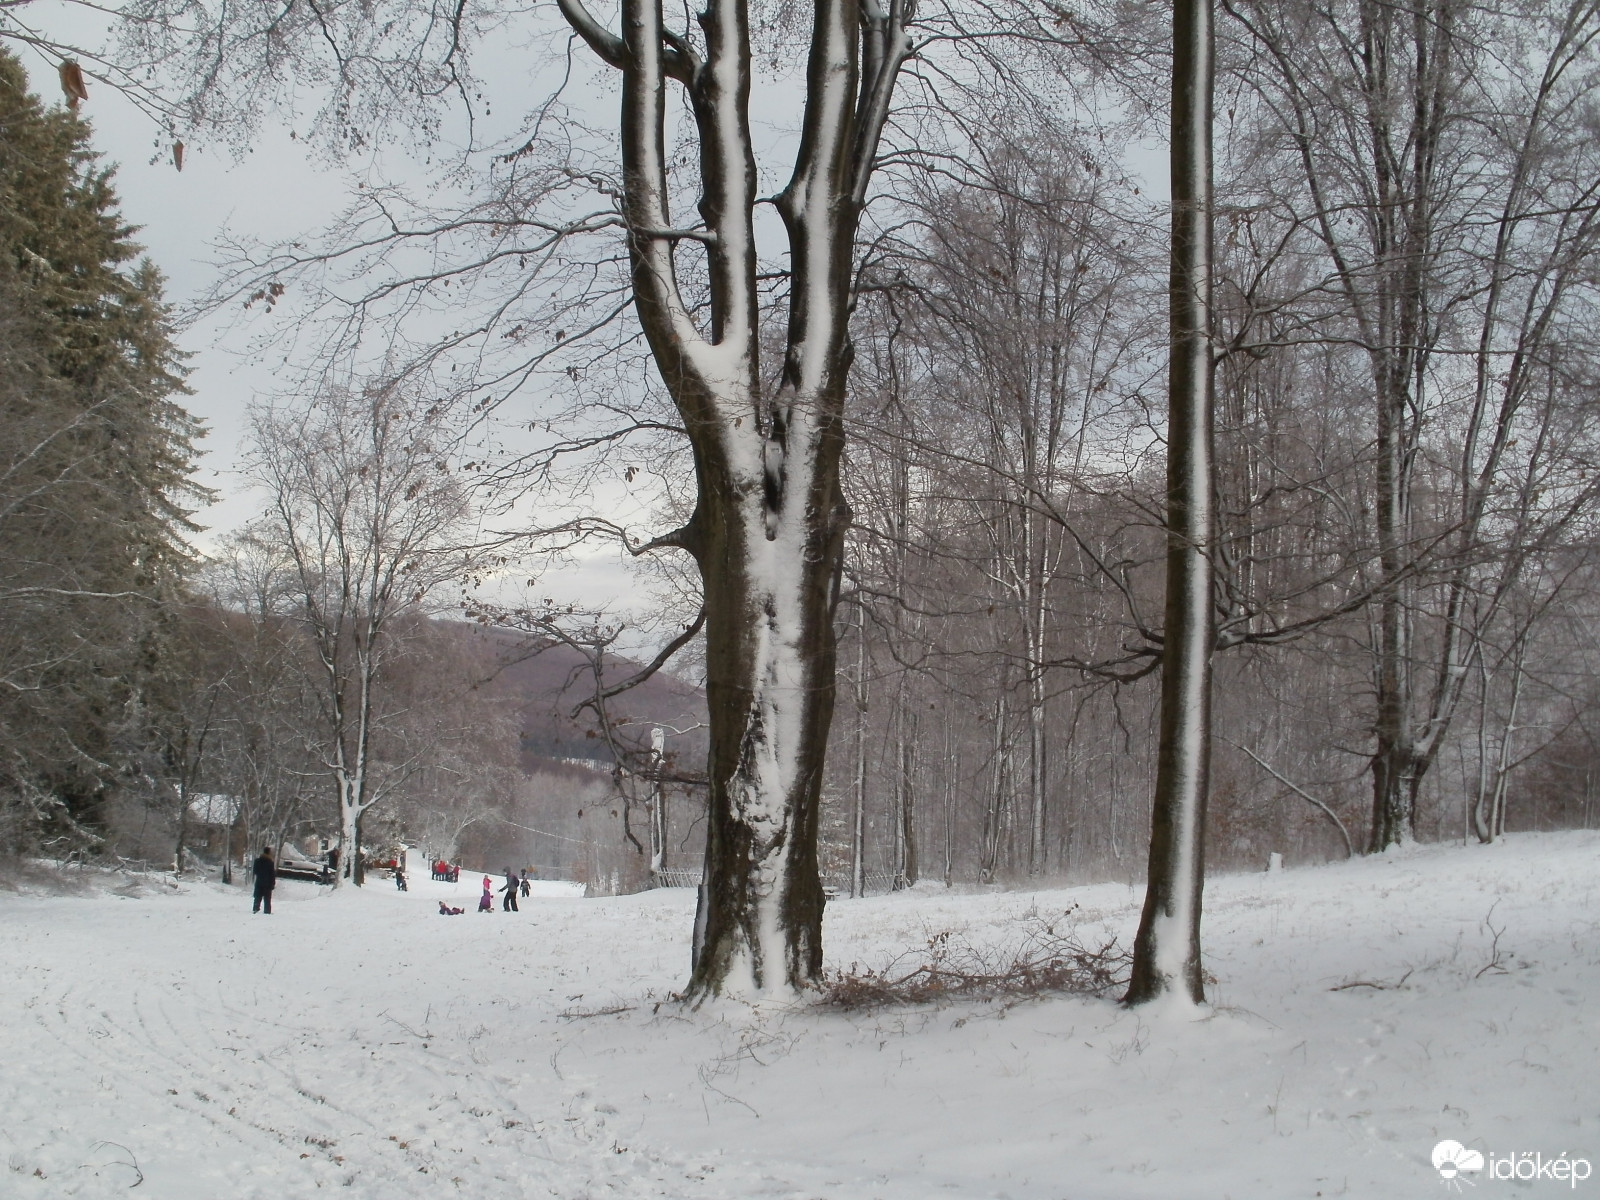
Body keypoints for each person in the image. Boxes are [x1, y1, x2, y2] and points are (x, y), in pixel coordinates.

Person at [251, 846, 276, 914]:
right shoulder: (270, 862)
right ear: (269, 853)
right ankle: (267, 911)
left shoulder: (257, 861)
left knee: (258, 896)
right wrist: (273, 883)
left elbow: (255, 871)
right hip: (268, 883)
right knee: (267, 898)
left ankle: (255, 908)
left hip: (259, 881)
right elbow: (272, 874)